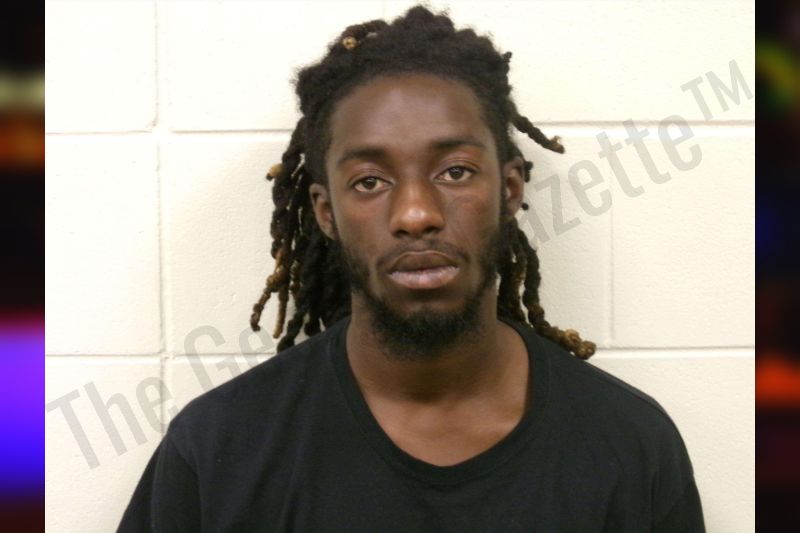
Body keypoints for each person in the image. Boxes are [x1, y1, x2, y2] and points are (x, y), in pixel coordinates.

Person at [118, 6, 704, 532]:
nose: (416, 214)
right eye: (369, 181)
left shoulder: (630, 445)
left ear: (510, 189)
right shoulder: (219, 449)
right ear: (326, 212)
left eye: (455, 172)